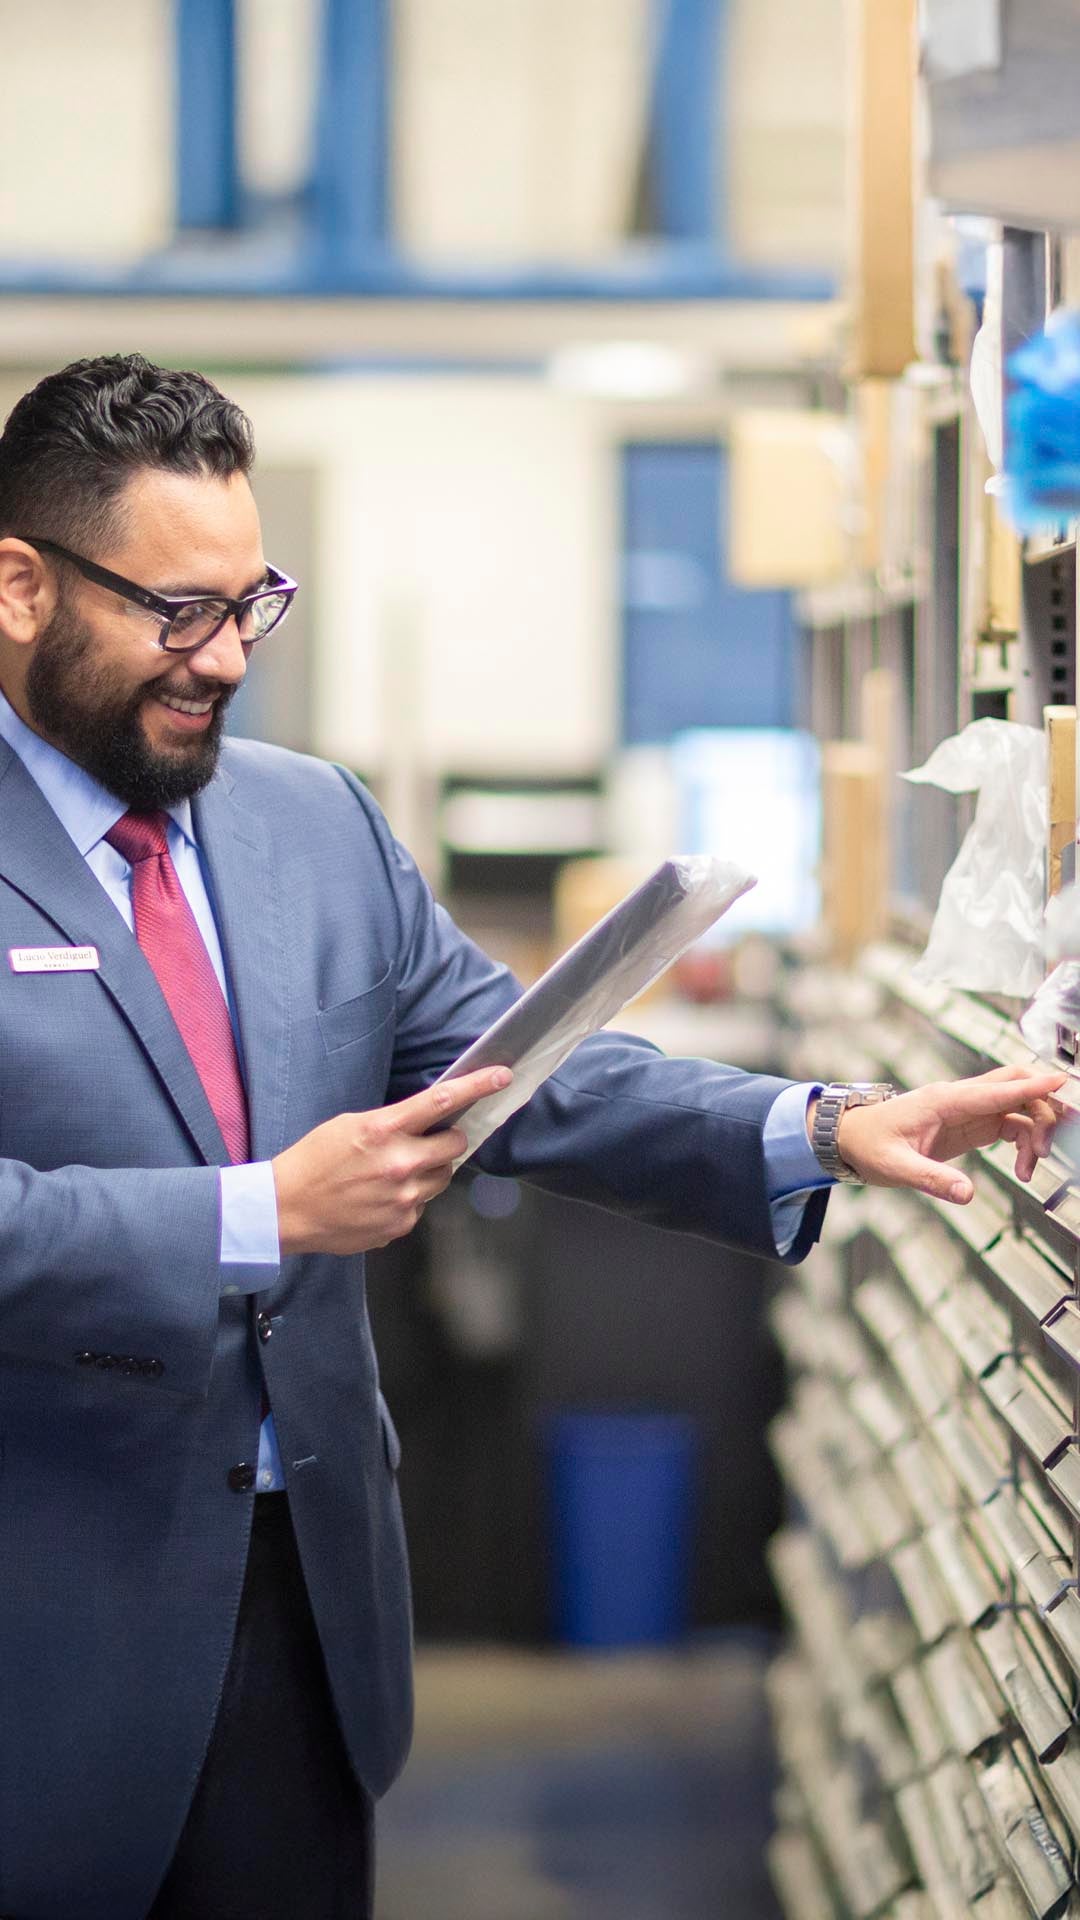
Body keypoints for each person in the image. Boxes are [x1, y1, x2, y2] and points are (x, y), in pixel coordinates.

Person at [0, 353, 1060, 1920]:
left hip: (306, 1621)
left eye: (252, 605)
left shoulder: (312, 825)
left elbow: (523, 1073)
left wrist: (825, 1123)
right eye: (178, 612)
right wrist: (258, 1211)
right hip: (47, 1629)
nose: (224, 659)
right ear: (20, 586)